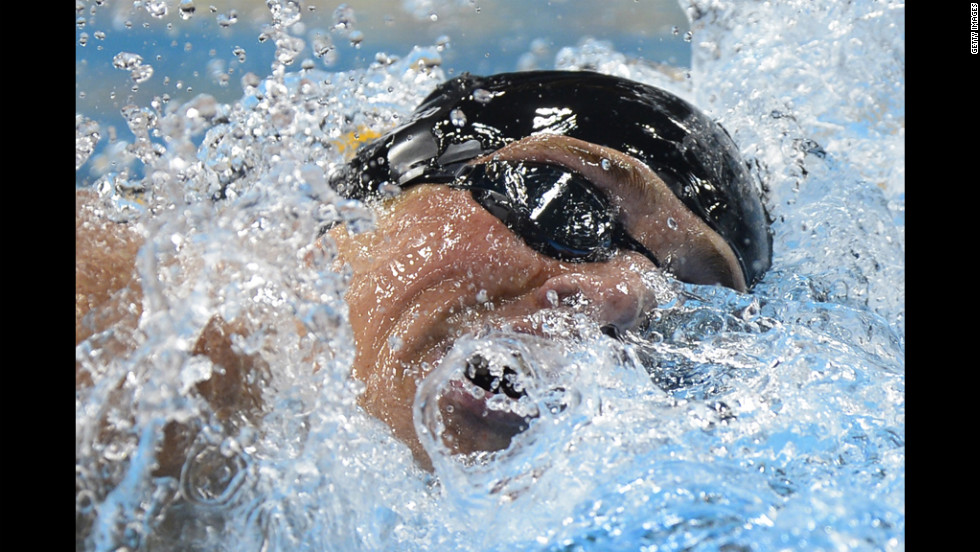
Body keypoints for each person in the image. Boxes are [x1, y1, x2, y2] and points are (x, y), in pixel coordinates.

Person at [76, 70, 771, 471]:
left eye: (682, 314)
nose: (616, 300)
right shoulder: (149, 346)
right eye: (569, 209)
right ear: (390, 189)